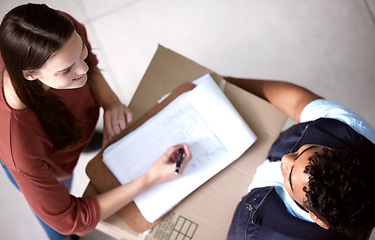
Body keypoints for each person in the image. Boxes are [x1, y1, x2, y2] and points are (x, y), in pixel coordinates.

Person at [0, 3, 192, 240]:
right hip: (52, 161)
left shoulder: (61, 27)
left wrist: (110, 103)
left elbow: (91, 67)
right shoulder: (20, 152)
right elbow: (70, 218)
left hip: (72, 126)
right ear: (30, 76)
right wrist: (150, 178)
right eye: (67, 70)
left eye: (80, 52)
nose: (84, 68)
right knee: (58, 220)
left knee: (85, 135)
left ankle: (84, 140)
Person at [224, 77, 375, 240]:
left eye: (289, 176)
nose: (285, 159)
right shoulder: (348, 128)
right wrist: (222, 84)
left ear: (317, 218)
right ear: (334, 150)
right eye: (303, 151)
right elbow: (293, 100)